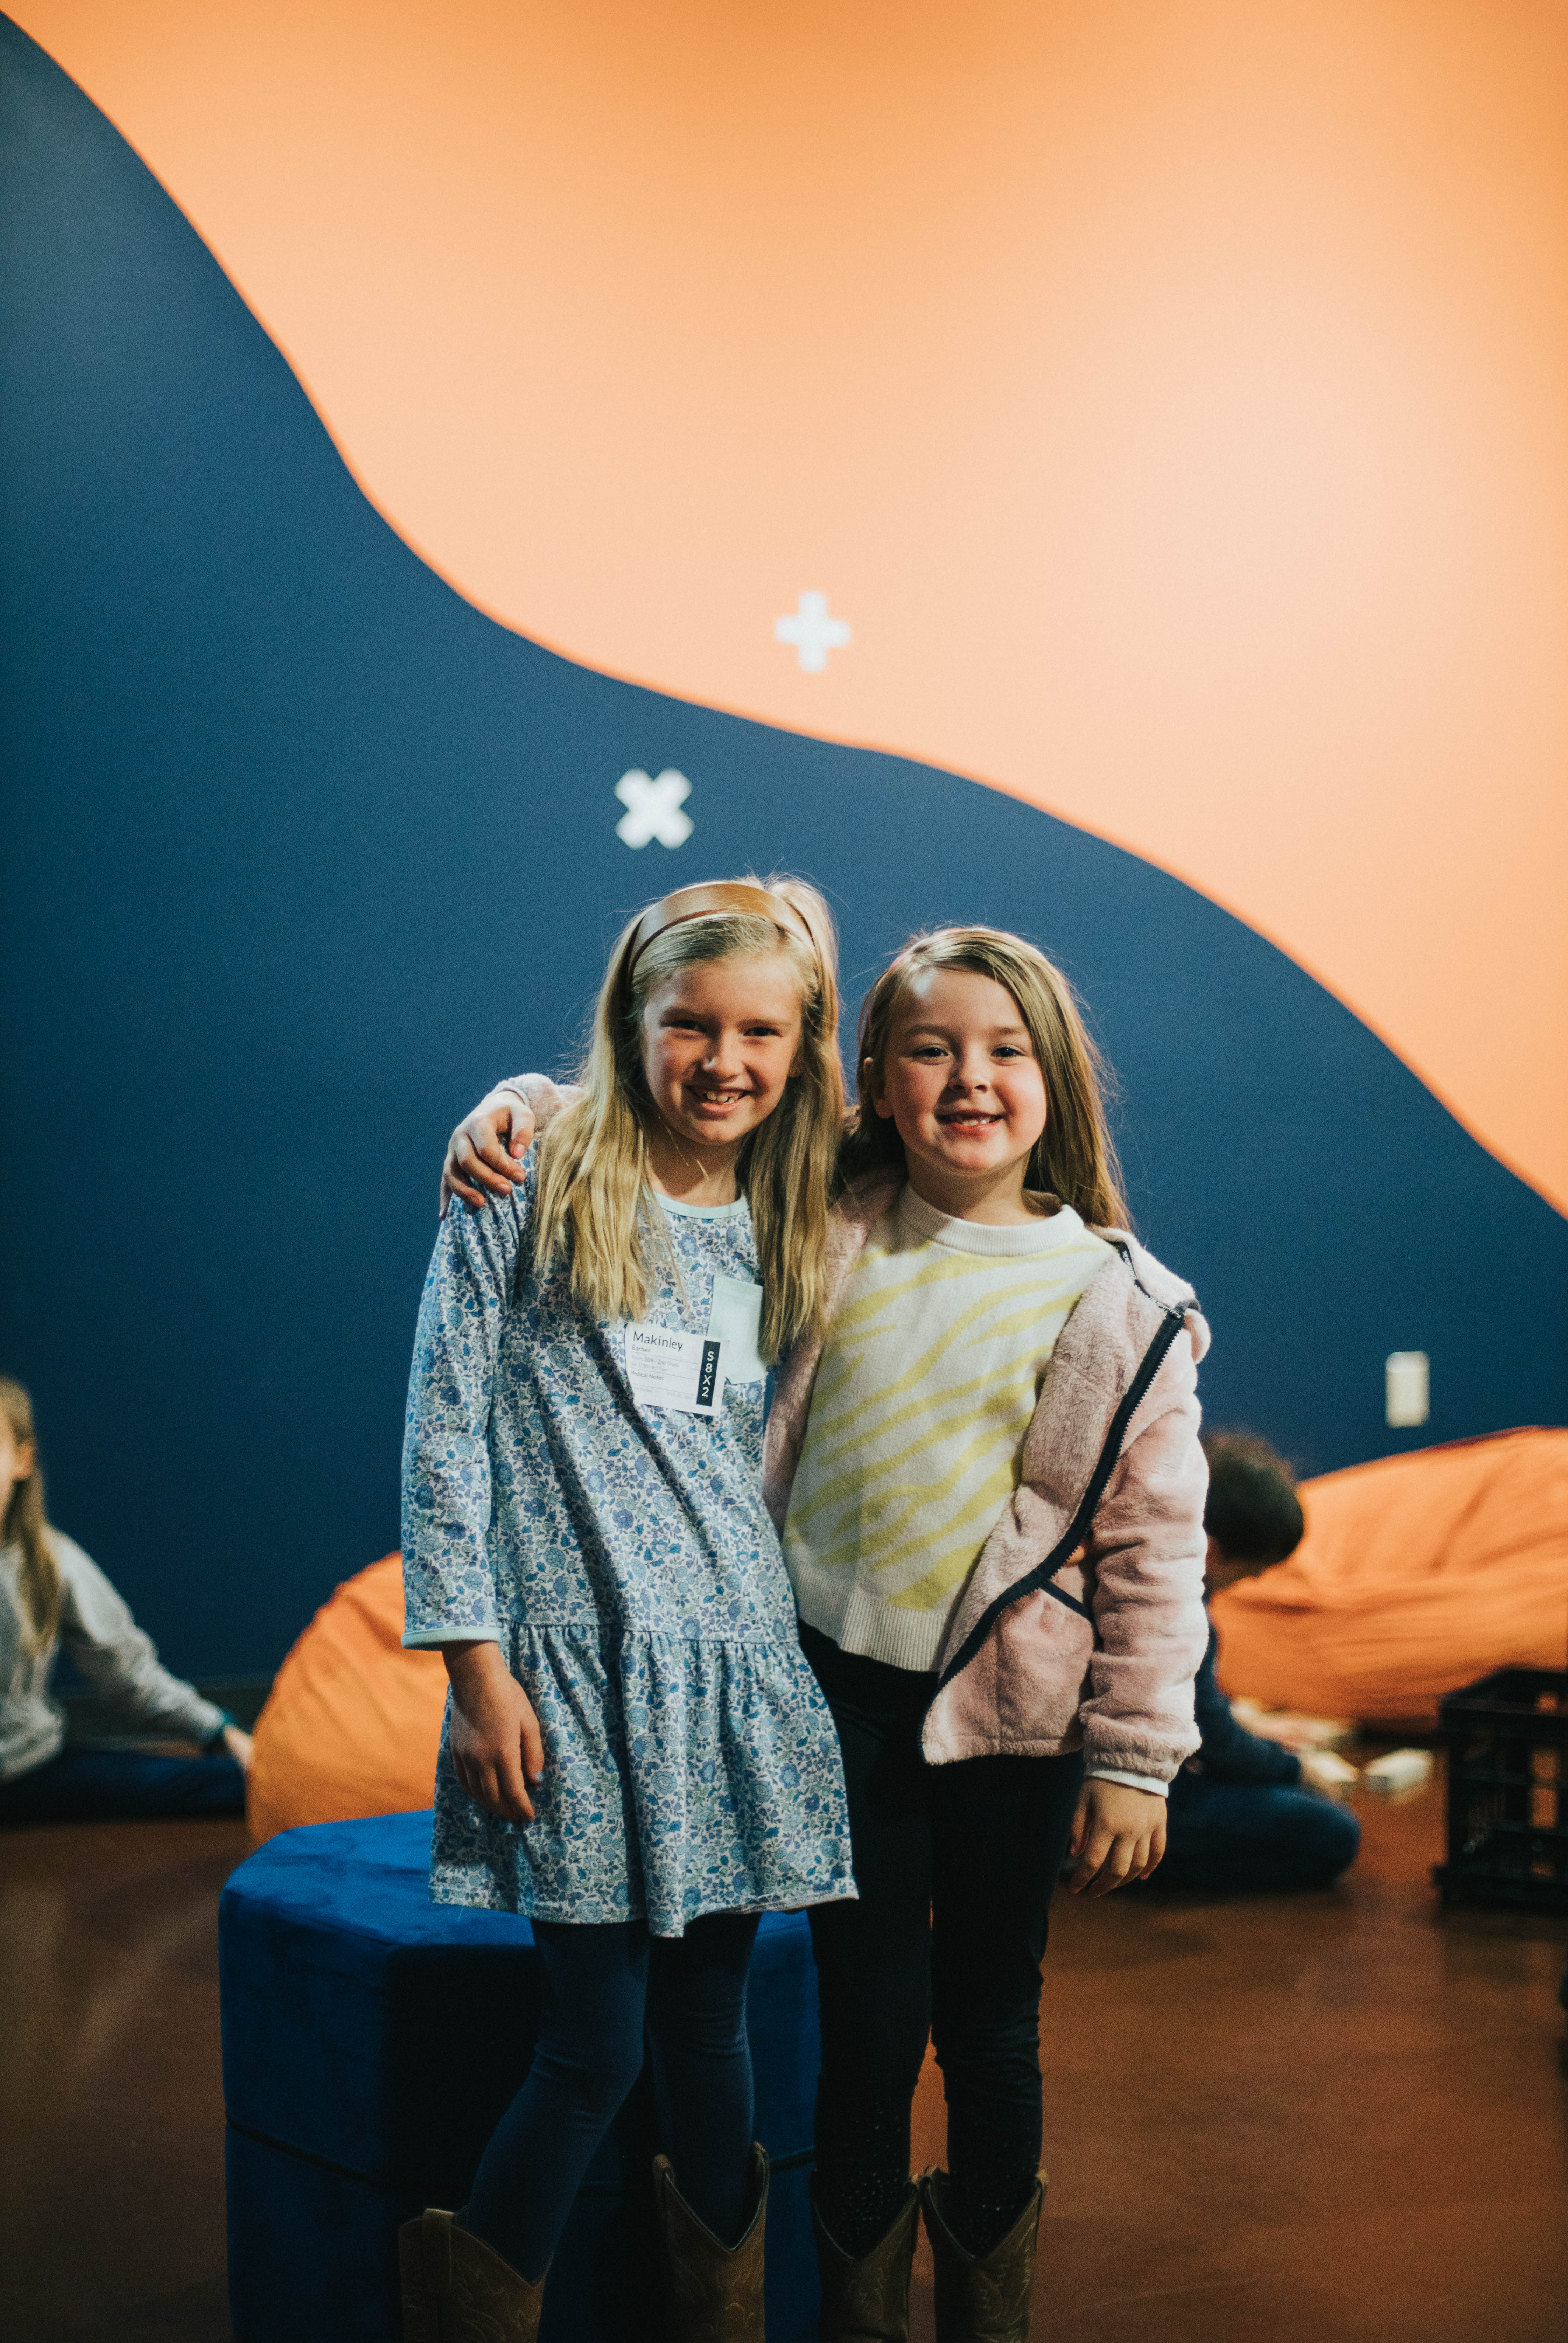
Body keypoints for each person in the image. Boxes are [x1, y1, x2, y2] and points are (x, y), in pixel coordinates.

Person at [441, 922, 1212, 2343]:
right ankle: (855, 2318)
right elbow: (664, 1092)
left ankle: (983, 2313)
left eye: (1005, 1051)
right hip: (831, 1699)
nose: (969, 1079)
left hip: (1009, 1720)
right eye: (930, 1050)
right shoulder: (832, 1209)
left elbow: (1156, 1551)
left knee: (992, 2027)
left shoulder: (1123, 1303)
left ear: (1056, 1076)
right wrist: (524, 1102)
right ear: (871, 1078)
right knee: (865, 2028)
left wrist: (1137, 1758)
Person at [397, 879, 855, 2343]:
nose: (725, 1060)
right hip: (570, 1680)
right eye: (691, 1025)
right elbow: (444, 1432)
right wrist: (476, 1671)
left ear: (800, 1045)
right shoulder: (526, 1175)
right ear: (631, 1020)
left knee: (711, 2035)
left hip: (733, 1663)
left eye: (760, 1032)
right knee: (592, 2049)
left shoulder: (796, 1200)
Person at [0, 1377, 252, 1820]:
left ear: (22, 1460)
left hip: (30, 1770)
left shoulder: (53, 1563)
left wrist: (220, 1733)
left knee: (241, 1783)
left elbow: (129, 1674)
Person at [1148, 1431, 1361, 1894]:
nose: (1253, 1580)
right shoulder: (1178, 1612)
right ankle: (1141, 1864)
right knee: (1335, 1834)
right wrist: (1297, 1769)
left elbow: (1192, 1707)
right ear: (1211, 1550)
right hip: (1146, 1797)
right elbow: (1213, 1741)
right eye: (1250, 1571)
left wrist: (1249, 1722)